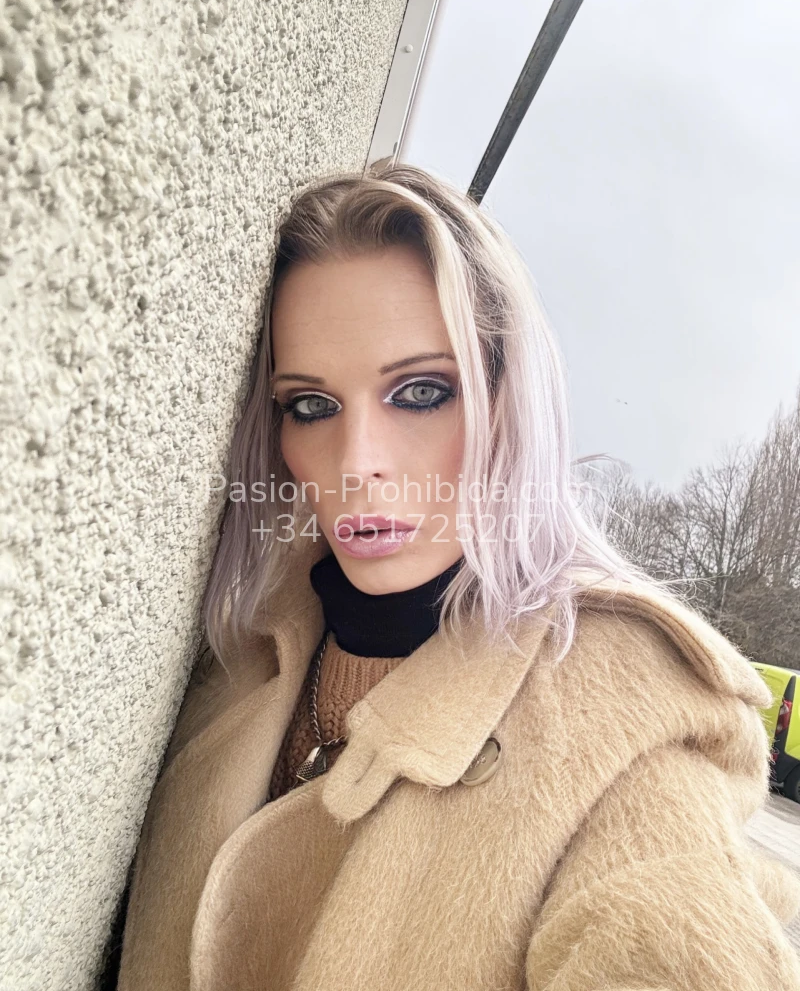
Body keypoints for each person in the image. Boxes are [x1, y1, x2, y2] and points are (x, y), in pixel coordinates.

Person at [110, 161, 800, 990]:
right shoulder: (247, 648)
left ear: (510, 403)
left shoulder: (623, 728)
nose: (356, 464)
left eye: (420, 392)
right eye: (311, 405)